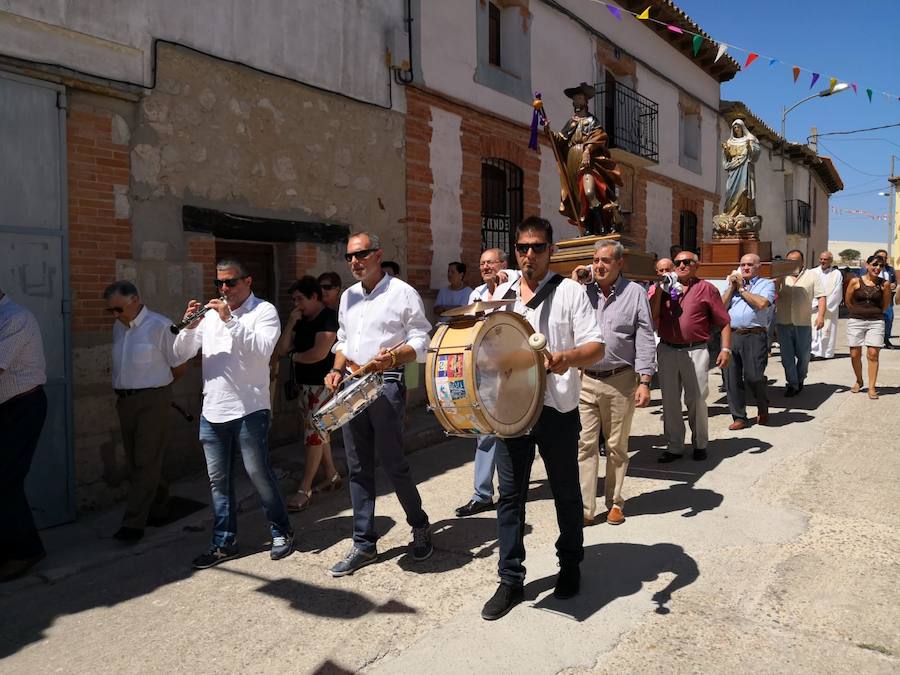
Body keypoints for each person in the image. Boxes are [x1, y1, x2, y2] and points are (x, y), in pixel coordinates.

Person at [481, 216, 604, 621]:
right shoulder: (504, 294)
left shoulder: (570, 292)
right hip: (511, 409)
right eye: (522, 248)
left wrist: (565, 359)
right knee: (511, 498)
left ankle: (570, 566)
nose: (529, 254)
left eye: (537, 247)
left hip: (557, 410)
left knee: (565, 493)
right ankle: (510, 579)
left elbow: (596, 347)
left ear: (550, 250)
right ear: (515, 251)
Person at [324, 232, 433, 576]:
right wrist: (336, 369)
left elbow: (421, 339)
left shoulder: (402, 293)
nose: (355, 262)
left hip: (386, 383)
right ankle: (364, 543)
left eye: (362, 255)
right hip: (352, 384)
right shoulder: (348, 297)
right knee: (357, 466)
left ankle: (419, 525)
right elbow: (343, 340)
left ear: (378, 255)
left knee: (392, 463)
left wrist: (394, 356)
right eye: (350, 257)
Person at [174, 259, 293, 569]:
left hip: (249, 409)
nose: (224, 289)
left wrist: (230, 320)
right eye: (219, 284)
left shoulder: (263, 312)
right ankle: (224, 543)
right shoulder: (210, 317)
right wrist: (189, 328)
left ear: (248, 281)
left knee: (258, 474)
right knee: (218, 481)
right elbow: (180, 354)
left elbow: (263, 351)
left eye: (230, 283)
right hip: (212, 409)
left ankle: (281, 530)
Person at [571, 240, 655, 527]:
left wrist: (645, 380)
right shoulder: (583, 292)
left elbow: (645, 338)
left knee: (617, 446)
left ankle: (615, 503)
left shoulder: (635, 294)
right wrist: (574, 285)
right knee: (585, 445)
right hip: (586, 380)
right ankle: (585, 508)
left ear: (620, 264)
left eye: (606, 260)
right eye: (596, 260)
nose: (599, 265)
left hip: (620, 380)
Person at [103, 280, 187, 542]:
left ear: (135, 300)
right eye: (111, 311)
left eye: (118, 309)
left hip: (153, 400)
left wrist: (160, 388)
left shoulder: (160, 326)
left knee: (145, 460)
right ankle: (159, 504)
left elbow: (180, 364)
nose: (115, 315)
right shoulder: (119, 328)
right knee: (137, 460)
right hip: (125, 402)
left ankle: (133, 523)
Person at [454, 248, 520, 518]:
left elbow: (519, 278)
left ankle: (514, 487)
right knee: (485, 432)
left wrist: (509, 276)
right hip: (484, 367)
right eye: (481, 263)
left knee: (517, 429)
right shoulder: (476, 294)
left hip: (515, 366)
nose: (485, 267)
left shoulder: (515, 285)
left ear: (502, 264)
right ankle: (482, 494)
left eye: (490, 262)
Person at [650, 251, 731, 463]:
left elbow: (723, 321)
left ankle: (700, 443)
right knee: (669, 401)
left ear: (696, 266)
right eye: (678, 262)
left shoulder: (707, 289)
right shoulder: (664, 288)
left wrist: (725, 349)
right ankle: (675, 445)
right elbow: (653, 315)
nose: (682, 265)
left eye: (687, 262)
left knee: (697, 398)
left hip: (695, 350)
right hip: (667, 350)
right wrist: (660, 290)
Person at [275, 276, 341, 512]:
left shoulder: (329, 318)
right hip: (304, 385)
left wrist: (294, 356)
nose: (296, 304)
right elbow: (282, 349)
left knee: (313, 435)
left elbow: (319, 353)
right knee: (318, 432)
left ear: (314, 296)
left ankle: (305, 488)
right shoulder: (301, 319)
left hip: (324, 385)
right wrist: (291, 323)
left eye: (300, 299)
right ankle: (331, 473)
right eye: (293, 300)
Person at [0, 288, 48, 582]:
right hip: (6, 409)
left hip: (22, 408)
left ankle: (27, 550)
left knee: (6, 480)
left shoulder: (16, 318)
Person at [545, 82, 623, 235]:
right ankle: (588, 226)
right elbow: (561, 139)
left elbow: (600, 136)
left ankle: (601, 224)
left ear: (585, 101)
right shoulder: (571, 122)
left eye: (579, 98)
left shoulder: (592, 121)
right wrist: (549, 132)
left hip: (588, 161)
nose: (576, 101)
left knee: (589, 192)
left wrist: (587, 150)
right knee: (578, 195)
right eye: (575, 99)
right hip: (572, 159)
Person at [720, 255, 775, 429]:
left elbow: (762, 303)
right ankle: (739, 417)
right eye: (742, 265)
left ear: (758, 267)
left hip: (754, 335)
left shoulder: (766, 284)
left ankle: (762, 404)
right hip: (733, 334)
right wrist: (732, 288)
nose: (745, 268)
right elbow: (720, 307)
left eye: (750, 265)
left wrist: (742, 290)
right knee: (731, 377)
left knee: (754, 376)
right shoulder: (732, 285)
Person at [775, 250, 825, 397]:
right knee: (787, 356)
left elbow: (821, 296)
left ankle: (800, 378)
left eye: (796, 260)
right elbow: (772, 292)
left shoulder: (812, 276)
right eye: (790, 260)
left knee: (803, 356)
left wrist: (821, 316)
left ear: (802, 262)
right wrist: (777, 278)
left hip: (803, 322)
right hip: (783, 321)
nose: (793, 263)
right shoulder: (780, 276)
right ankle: (792, 384)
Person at [846, 255, 892, 399]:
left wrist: (875, 313)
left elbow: (885, 305)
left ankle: (871, 387)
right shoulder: (855, 281)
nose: (877, 268)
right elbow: (848, 302)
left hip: (876, 321)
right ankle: (859, 380)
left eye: (881, 266)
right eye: (874, 264)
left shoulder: (884, 284)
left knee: (873, 353)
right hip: (856, 320)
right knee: (855, 353)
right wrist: (858, 312)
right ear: (867, 265)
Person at [810, 252, 843, 360]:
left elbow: (837, 292)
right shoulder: (812, 272)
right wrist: (815, 304)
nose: (822, 261)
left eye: (825, 259)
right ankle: (812, 351)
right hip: (814, 307)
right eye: (821, 259)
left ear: (830, 260)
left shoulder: (836, 273)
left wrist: (824, 306)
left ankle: (824, 353)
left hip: (829, 308)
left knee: (826, 331)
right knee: (813, 330)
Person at [870, 249, 896, 348]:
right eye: (881, 257)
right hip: (873, 299)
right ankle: (874, 340)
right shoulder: (869, 268)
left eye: (885, 257)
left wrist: (893, 284)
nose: (883, 259)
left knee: (889, 319)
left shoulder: (890, 269)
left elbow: (893, 281)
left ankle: (886, 339)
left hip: (887, 299)